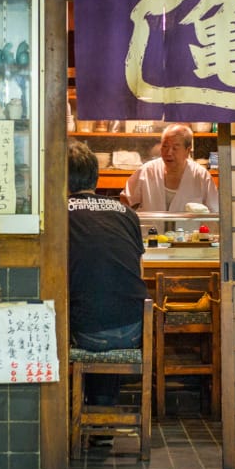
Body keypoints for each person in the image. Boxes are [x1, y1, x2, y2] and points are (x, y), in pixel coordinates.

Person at [67, 140, 150, 409]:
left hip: (88, 331)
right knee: (105, 308)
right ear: (96, 176)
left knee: (82, 314)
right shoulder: (126, 213)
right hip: (134, 329)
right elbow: (138, 272)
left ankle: (77, 413)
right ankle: (101, 408)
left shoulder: (59, 214)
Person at [120, 123, 219, 213]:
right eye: (165, 146)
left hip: (189, 232)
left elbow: (214, 210)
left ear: (187, 150)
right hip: (151, 232)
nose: (168, 153)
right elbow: (125, 200)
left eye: (175, 148)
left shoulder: (201, 175)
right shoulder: (146, 171)